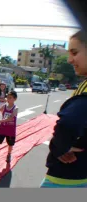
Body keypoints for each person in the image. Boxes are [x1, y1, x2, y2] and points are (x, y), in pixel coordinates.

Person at [40, 30, 87, 188]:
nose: (69, 60)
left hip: (67, 177)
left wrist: (59, 147)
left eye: (74, 52)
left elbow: (68, 123)